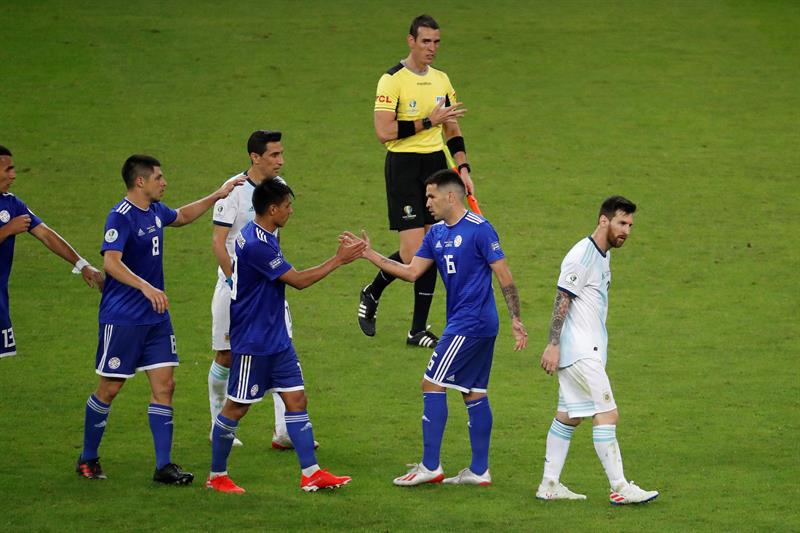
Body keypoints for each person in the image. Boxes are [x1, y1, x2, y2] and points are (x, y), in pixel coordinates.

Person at [344, 169, 527, 486]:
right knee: (473, 392)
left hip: (472, 323)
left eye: (431, 196)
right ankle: (480, 471)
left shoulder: (480, 230)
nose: (426, 202)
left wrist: (515, 318)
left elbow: (504, 275)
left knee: (431, 383)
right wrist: (369, 254)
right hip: (469, 322)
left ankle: (430, 467)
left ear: (451, 196)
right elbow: (412, 272)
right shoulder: (437, 234)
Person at [76, 155, 245, 484]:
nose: (164, 182)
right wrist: (145, 285)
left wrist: (216, 195)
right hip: (123, 319)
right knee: (110, 388)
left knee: (165, 387)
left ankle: (163, 466)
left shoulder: (154, 211)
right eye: (159, 178)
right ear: (140, 182)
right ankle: (87, 458)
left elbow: (181, 216)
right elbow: (111, 262)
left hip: (155, 318)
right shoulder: (120, 216)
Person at [206, 179, 364, 494]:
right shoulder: (256, 244)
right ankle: (217, 476)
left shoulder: (264, 233)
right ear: (273, 209)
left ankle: (311, 473)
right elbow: (299, 281)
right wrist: (339, 260)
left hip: (275, 337)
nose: (291, 211)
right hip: (254, 340)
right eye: (287, 206)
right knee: (237, 407)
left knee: (296, 399)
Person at [358, 14, 473, 349]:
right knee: (412, 254)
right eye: (426, 42)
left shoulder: (441, 79)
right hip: (403, 167)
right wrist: (427, 121)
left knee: (435, 243)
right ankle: (372, 291)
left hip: (436, 166)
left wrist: (463, 168)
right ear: (411, 41)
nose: (432, 48)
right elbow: (383, 132)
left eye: (436, 42)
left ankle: (417, 330)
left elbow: (451, 127)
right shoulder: (391, 80)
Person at [536, 196, 659, 505]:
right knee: (608, 414)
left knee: (569, 416)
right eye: (621, 223)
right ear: (603, 220)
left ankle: (549, 485)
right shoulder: (582, 256)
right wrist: (552, 344)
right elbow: (561, 299)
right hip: (580, 353)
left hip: (583, 351)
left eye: (630, 225)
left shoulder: (604, 254)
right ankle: (620, 487)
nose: (627, 231)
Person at [208, 130, 316, 450]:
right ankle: (218, 423)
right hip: (233, 286)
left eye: (282, 154)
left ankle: (284, 431)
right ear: (255, 157)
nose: (280, 161)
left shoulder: (278, 190)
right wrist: (234, 281)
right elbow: (218, 242)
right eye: (274, 155)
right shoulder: (234, 191)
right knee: (226, 355)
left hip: (267, 284)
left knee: (282, 346)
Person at [0, 145, 104, 358]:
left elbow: (46, 234)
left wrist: (82, 264)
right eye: (8, 169)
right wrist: (6, 231)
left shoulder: (11, 204)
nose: (13, 175)